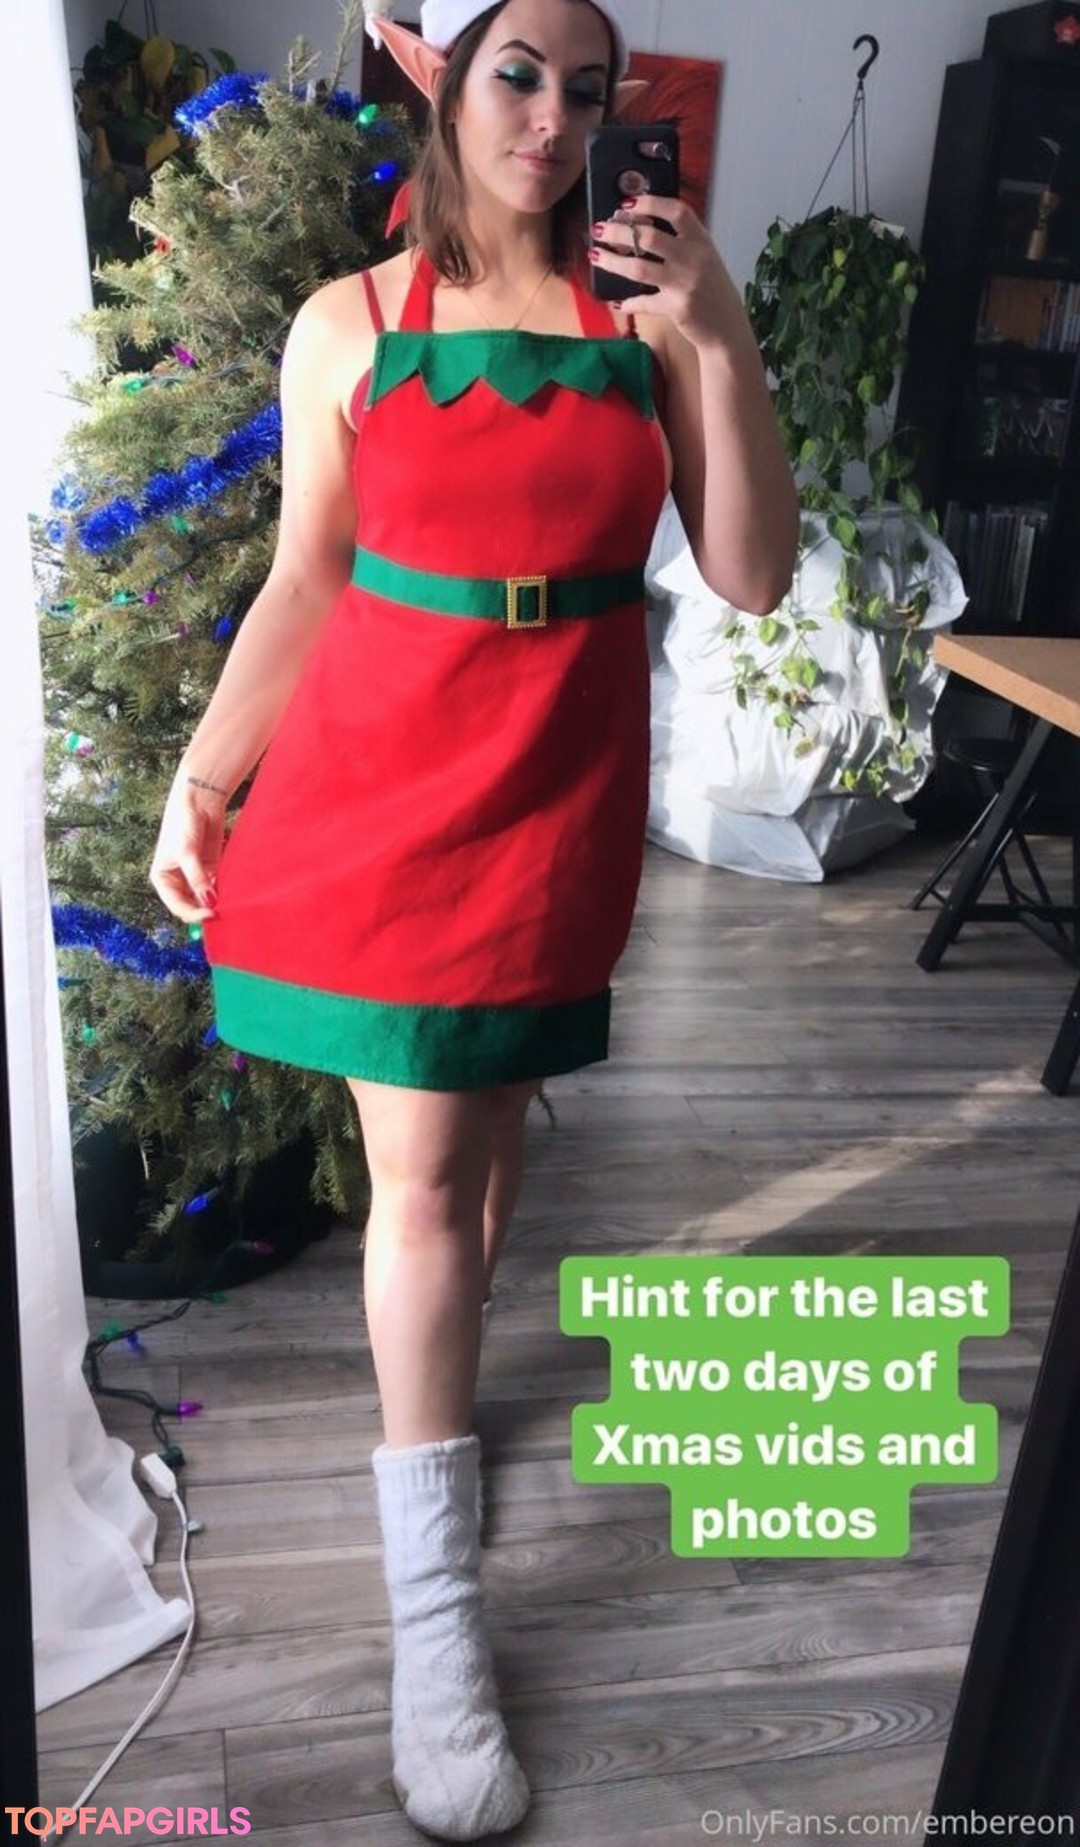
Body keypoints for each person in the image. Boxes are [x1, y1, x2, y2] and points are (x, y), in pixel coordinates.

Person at [149, 0, 798, 1836]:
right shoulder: (347, 324)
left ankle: (445, 1405)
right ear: (439, 73)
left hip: (561, 791)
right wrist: (204, 778)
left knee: (491, 1138)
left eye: (588, 91)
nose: (553, 121)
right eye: (520, 75)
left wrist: (725, 333)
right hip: (384, 775)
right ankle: (438, 1623)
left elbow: (752, 574)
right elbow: (306, 578)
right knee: (427, 1176)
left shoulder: (647, 318)